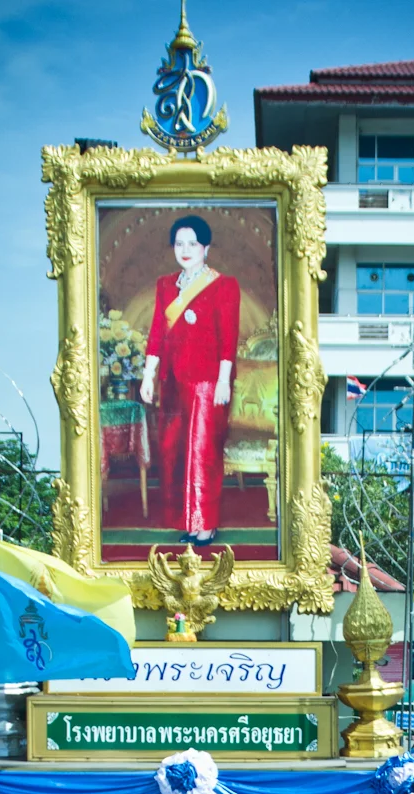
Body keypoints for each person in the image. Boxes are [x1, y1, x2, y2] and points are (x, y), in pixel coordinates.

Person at [140, 215, 240, 546]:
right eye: (179, 243)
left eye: (192, 243)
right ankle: (191, 521)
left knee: (202, 453)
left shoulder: (223, 285)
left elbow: (229, 338)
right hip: (173, 382)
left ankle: (206, 524)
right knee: (177, 454)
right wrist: (148, 375)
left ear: (206, 247)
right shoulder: (165, 285)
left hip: (208, 382)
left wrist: (224, 380)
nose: (185, 250)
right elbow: (157, 331)